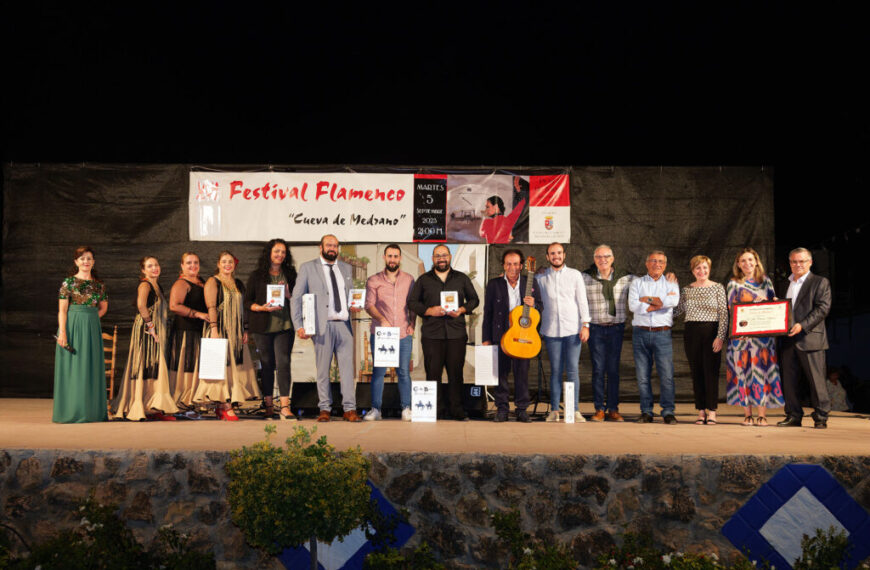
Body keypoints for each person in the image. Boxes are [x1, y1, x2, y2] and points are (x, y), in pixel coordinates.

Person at [291, 235, 362, 422]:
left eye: (335, 246)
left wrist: (353, 305)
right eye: (329, 245)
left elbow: (350, 295)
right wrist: (299, 325)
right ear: (320, 247)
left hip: (344, 325)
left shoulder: (346, 268)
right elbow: (296, 298)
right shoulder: (308, 267)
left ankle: (350, 409)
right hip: (322, 326)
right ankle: (324, 409)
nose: (332, 248)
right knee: (323, 370)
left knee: (348, 370)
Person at [408, 244, 479, 420]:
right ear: (433, 259)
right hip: (432, 334)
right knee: (433, 374)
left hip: (456, 334)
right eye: (437, 255)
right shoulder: (423, 280)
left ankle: (457, 410)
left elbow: (474, 300)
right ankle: (435, 410)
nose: (441, 258)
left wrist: (462, 310)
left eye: (444, 255)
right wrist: (429, 311)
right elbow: (412, 302)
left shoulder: (461, 278)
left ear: (449, 257)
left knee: (456, 374)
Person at [111, 256, 179, 421]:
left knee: (154, 368)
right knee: (144, 365)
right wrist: (150, 326)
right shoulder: (145, 284)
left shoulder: (157, 285)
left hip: (156, 331)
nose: (154, 268)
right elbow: (141, 305)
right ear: (143, 270)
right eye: (150, 266)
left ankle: (152, 406)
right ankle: (138, 405)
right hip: (147, 331)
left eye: (156, 264)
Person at [196, 251, 260, 420]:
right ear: (218, 264)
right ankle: (224, 405)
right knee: (220, 367)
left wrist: (245, 329)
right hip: (220, 328)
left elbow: (244, 307)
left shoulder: (238, 283)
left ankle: (225, 404)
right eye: (224, 262)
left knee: (234, 368)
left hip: (236, 332)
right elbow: (211, 306)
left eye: (230, 261)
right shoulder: (213, 281)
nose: (227, 265)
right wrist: (214, 329)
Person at [725, 247, 784, 426]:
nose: (747, 263)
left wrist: (775, 304)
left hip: (763, 338)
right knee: (742, 374)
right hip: (741, 338)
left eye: (750, 260)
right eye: (743, 260)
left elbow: (773, 305)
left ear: (756, 261)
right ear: (738, 264)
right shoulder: (733, 283)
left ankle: (762, 415)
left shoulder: (766, 282)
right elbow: (731, 308)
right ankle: (747, 415)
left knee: (762, 373)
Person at [482, 249, 542, 422]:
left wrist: (534, 304)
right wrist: (486, 338)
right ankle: (502, 408)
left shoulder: (530, 283)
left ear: (522, 266)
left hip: (524, 336)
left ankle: (522, 409)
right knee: (501, 373)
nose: (512, 267)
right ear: (503, 265)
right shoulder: (494, 285)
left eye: (516, 264)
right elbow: (488, 313)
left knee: (522, 374)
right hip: (501, 336)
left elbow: (540, 307)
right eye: (508, 263)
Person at [535, 242, 591, 422]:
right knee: (556, 371)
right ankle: (554, 410)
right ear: (547, 257)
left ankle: (574, 410)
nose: (556, 256)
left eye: (559, 253)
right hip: (551, 331)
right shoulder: (541, 277)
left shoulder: (575, 275)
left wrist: (586, 324)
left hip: (573, 330)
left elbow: (582, 300)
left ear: (564, 255)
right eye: (552, 253)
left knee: (573, 370)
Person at [53, 246, 109, 423]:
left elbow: (104, 307)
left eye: (89, 258)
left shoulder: (99, 285)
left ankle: (91, 412)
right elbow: (62, 310)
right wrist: (63, 333)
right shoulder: (68, 283)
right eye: (82, 258)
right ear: (76, 261)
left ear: (93, 262)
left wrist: (90, 318)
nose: (86, 261)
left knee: (90, 367)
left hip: (91, 326)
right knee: (74, 369)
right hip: (72, 326)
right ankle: (71, 410)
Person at [777, 247, 832, 428]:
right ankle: (793, 415)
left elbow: (823, 308)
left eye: (801, 261)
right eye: (794, 261)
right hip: (787, 339)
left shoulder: (820, 282)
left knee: (816, 381)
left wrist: (803, 325)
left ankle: (821, 416)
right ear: (790, 263)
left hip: (810, 338)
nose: (798, 264)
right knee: (789, 381)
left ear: (810, 262)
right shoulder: (784, 283)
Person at [246, 239, 298, 421]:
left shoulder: (290, 274)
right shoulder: (256, 276)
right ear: (269, 253)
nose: (280, 255)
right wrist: (261, 308)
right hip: (262, 326)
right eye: (277, 251)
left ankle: (285, 407)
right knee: (267, 364)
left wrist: (289, 294)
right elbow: (247, 302)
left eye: (283, 252)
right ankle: (268, 405)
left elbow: (298, 298)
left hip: (285, 326)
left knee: (283, 363)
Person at [673, 255, 728, 425]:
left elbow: (724, 314)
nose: (701, 271)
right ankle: (701, 410)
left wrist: (720, 337)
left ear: (709, 269)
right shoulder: (686, 290)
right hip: (691, 332)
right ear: (692, 270)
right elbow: (676, 311)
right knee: (696, 372)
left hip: (711, 331)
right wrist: (660, 302)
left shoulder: (718, 288)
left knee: (710, 372)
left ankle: (712, 411)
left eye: (704, 267)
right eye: (698, 268)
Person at [363, 244, 416, 421]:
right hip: (381, 334)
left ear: (400, 258)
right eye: (389, 256)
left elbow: (413, 304)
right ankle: (376, 409)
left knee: (403, 372)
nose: (392, 259)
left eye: (396, 256)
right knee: (378, 371)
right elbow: (369, 305)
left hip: (403, 333)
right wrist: (382, 320)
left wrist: (413, 323)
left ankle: (406, 409)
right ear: (384, 258)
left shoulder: (409, 279)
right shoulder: (373, 280)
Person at [582, 245, 634, 422]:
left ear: (613, 258)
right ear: (594, 258)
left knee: (613, 370)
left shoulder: (626, 277)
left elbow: (649, 283)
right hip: (595, 328)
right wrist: (541, 273)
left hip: (616, 329)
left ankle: (613, 409)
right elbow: (565, 284)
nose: (602, 259)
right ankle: (599, 409)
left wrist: (668, 277)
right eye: (598, 256)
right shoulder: (585, 277)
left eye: (606, 256)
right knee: (598, 369)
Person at [629, 250, 680, 424]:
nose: (657, 264)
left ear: (665, 265)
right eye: (653, 261)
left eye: (661, 262)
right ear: (646, 263)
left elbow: (673, 302)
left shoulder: (671, 282)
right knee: (643, 376)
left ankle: (668, 411)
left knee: (666, 375)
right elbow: (633, 305)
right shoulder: (637, 283)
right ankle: (646, 411)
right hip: (640, 333)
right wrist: (658, 303)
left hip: (662, 333)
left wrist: (647, 301)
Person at [169, 252, 209, 412]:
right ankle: (184, 398)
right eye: (188, 263)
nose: (193, 265)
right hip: (185, 329)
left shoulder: (202, 281)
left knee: (198, 364)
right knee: (187, 364)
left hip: (199, 329)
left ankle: (196, 398)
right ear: (182, 266)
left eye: (196, 262)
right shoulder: (181, 283)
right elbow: (174, 306)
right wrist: (198, 314)